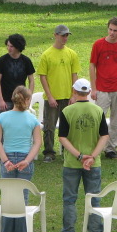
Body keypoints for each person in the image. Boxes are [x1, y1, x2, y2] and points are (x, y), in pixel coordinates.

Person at [56, 79, 109, 232]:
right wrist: (92, 156)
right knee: (94, 198)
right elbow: (104, 136)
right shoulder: (98, 110)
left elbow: (62, 137)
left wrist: (79, 156)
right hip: (94, 163)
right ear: (89, 92)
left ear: (74, 91)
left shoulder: (67, 111)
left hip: (72, 163)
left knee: (70, 199)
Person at [0, 85, 42, 232]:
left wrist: (5, 160)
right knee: (23, 197)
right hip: (24, 159)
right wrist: (27, 160)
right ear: (27, 100)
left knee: (7, 197)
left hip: (7, 158)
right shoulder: (32, 120)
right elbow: (37, 143)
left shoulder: (2, 118)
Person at [37, 24, 81, 163]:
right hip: (53, 97)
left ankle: (68, 151)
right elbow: (43, 76)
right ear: (55, 35)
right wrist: (49, 96)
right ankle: (49, 152)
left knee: (68, 126)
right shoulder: (47, 55)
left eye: (67, 35)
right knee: (49, 126)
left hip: (68, 97)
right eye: (63, 35)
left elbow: (75, 75)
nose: (65, 38)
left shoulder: (71, 54)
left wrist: (74, 95)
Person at [89, 17, 117, 160]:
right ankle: (95, 147)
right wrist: (93, 88)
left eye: (115, 31)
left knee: (116, 120)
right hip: (102, 88)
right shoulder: (98, 44)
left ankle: (111, 149)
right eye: (110, 29)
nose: (112, 33)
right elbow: (92, 65)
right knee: (99, 119)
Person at [0, 33, 35, 113]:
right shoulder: (2, 60)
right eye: (8, 46)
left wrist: (29, 98)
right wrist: (1, 100)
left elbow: (31, 80)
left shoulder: (26, 61)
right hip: (6, 100)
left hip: (21, 100)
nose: (9, 48)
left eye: (11, 46)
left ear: (18, 47)